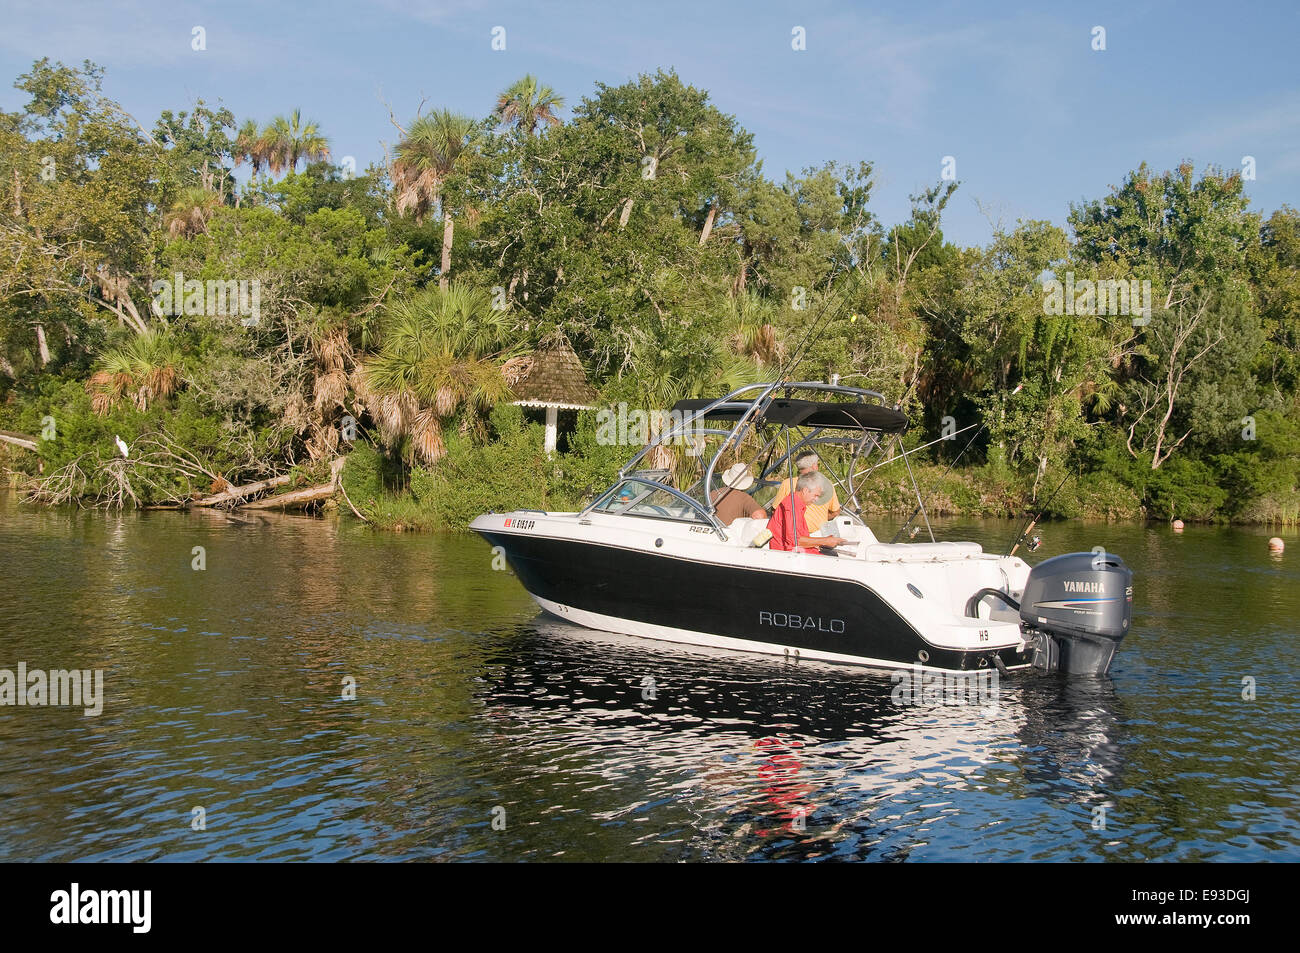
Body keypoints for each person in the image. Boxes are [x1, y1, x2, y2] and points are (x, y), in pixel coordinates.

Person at [767, 471, 847, 554]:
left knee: (832, 553)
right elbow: (795, 541)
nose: (816, 499)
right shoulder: (791, 506)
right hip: (790, 557)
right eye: (815, 495)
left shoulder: (797, 505)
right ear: (805, 490)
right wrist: (825, 541)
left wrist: (825, 541)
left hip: (800, 554)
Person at [769, 452, 840, 533]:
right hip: (819, 534)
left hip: (795, 534)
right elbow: (835, 512)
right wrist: (820, 520)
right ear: (814, 466)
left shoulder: (788, 483)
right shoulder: (827, 484)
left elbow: (775, 511)